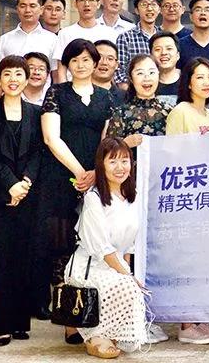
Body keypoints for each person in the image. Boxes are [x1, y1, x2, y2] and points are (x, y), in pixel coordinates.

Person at [41, 38, 116, 344]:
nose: (81, 65)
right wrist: (78, 172)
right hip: (60, 177)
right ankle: (70, 321)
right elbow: (51, 138)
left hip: (98, 179)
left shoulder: (107, 97)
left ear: (95, 62)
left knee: (94, 244)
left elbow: (108, 140)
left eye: (87, 59)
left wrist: (96, 172)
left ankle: (99, 315)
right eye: (75, 60)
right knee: (63, 248)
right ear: (67, 64)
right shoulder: (56, 93)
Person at [101, 54, 173, 346]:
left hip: (162, 193)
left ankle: (155, 315)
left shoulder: (169, 111)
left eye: (151, 72)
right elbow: (107, 153)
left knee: (156, 252)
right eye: (140, 72)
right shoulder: (121, 112)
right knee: (131, 252)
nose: (147, 78)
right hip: (129, 193)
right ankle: (131, 318)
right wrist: (125, 144)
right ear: (130, 78)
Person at [0, 55, 44, 346]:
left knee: (24, 259)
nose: (13, 79)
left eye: (19, 74)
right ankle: (2, 325)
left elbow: (38, 152)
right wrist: (10, 186)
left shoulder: (37, 112)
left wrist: (25, 183)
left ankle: (20, 322)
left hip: (28, 195)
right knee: (1, 261)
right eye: (7, 74)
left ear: (27, 79)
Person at [64, 137, 149, 358]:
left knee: (128, 285)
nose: (120, 167)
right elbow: (102, 248)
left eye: (125, 161)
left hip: (116, 265)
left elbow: (129, 245)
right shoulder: (94, 198)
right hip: (90, 266)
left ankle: (109, 331)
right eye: (113, 161)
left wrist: (126, 271)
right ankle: (96, 336)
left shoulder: (133, 196)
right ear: (101, 165)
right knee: (125, 285)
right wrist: (127, 276)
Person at [164, 57, 209, 344]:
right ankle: (186, 324)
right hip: (186, 197)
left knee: (203, 261)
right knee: (186, 261)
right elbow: (171, 155)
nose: (206, 82)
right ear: (188, 82)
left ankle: (199, 318)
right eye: (199, 77)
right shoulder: (181, 112)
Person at [0, 0, 58, 97]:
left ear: (41, 9)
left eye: (32, 6)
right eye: (23, 6)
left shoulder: (52, 39)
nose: (27, 10)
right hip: (10, 100)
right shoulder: (5, 39)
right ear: (17, 9)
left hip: (42, 101)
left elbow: (56, 75)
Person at [54, 0, 118, 82]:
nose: (86, 4)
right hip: (73, 86)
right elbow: (61, 69)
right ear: (75, 4)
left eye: (91, 0)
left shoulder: (110, 33)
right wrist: (64, 90)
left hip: (101, 87)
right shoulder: (65, 33)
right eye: (82, 0)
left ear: (98, 4)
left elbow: (113, 68)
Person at [114, 0, 161, 87]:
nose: (149, 9)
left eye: (153, 5)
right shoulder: (125, 38)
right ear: (136, 10)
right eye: (144, 5)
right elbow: (119, 71)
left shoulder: (165, 38)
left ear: (159, 9)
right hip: (133, 91)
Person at [150, 31, 182, 106]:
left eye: (169, 48)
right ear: (151, 56)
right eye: (158, 49)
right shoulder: (146, 83)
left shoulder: (189, 81)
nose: (164, 53)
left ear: (178, 55)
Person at [93, 40, 128, 104]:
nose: (104, 62)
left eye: (110, 59)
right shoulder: (76, 93)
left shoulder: (126, 98)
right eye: (99, 57)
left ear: (116, 65)